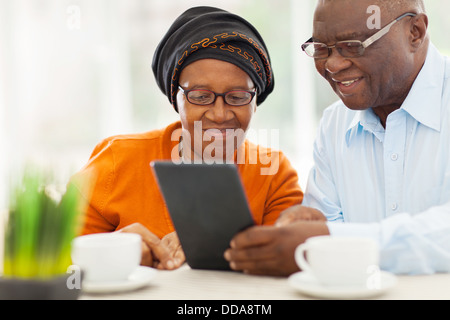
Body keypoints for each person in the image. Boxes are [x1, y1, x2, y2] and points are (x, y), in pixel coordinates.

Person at [224, 0, 450, 276]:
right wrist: (305, 228)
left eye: (353, 45)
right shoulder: (335, 123)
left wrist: (329, 238)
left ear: (414, 31)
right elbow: (322, 232)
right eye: (321, 49)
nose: (332, 64)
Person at [69, 6, 303, 270]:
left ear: (255, 102)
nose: (219, 114)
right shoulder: (116, 161)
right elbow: (57, 260)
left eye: (238, 97)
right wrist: (116, 250)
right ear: (175, 100)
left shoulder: (274, 175)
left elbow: (285, 266)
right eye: (200, 96)